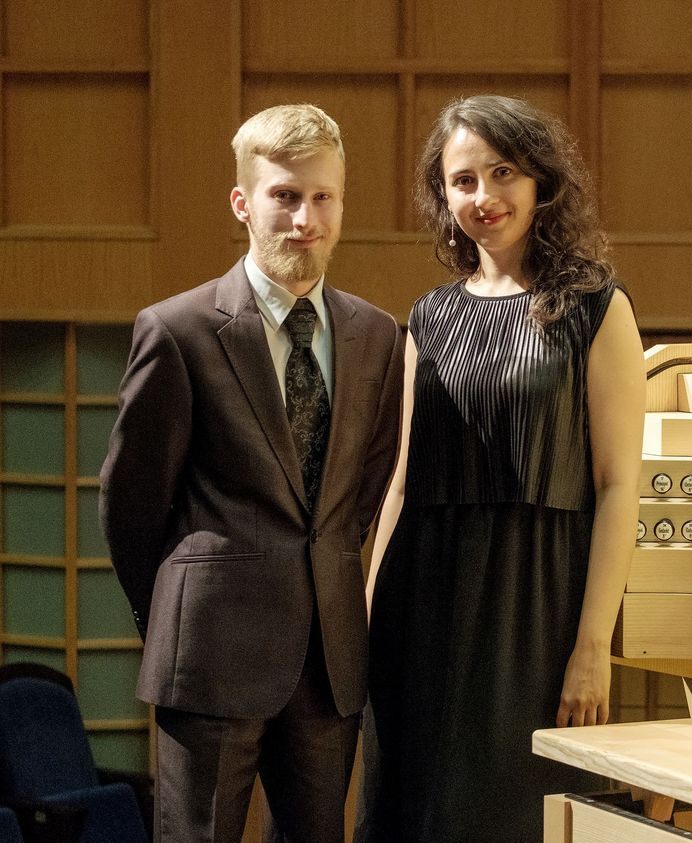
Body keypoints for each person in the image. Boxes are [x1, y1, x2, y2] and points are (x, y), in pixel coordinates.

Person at [99, 103, 404, 842]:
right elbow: (132, 501)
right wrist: (174, 614)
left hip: (329, 661)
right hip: (208, 653)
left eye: (323, 197)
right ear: (242, 202)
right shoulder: (178, 330)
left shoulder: (376, 335)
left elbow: (361, 490)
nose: (305, 219)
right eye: (285, 196)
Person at [357, 94, 644, 842]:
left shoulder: (597, 308)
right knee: (410, 814)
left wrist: (592, 647)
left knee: (513, 813)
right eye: (463, 180)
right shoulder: (428, 315)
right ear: (443, 197)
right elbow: (401, 480)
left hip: (535, 607)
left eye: (503, 172)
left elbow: (618, 486)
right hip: (421, 599)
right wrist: (366, 618)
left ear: (542, 180)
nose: (483, 196)